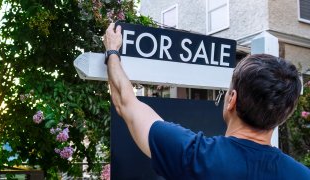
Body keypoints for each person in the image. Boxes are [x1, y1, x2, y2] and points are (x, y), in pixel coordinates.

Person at [103, 23, 310, 179]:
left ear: (232, 100)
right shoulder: (302, 175)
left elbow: (125, 101)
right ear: (283, 115)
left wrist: (112, 51)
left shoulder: (193, 157)